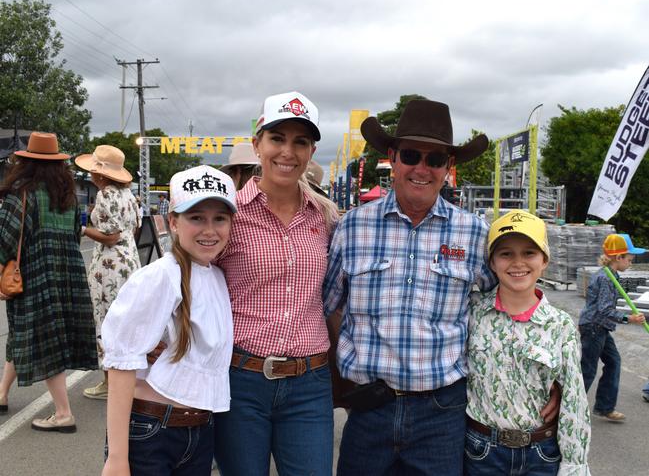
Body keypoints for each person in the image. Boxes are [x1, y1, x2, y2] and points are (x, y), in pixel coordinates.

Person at [323, 100, 559, 475]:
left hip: (442, 413)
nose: (421, 168)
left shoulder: (474, 233)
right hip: (369, 408)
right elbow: (322, 310)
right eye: (412, 155)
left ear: (448, 167)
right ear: (392, 158)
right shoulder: (352, 228)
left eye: (434, 160)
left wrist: (550, 378)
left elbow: (511, 312)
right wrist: (335, 386)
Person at [213, 91, 339, 476]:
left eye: (300, 142)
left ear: (311, 151)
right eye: (277, 138)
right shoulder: (226, 214)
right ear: (257, 144)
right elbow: (189, 279)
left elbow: (335, 296)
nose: (288, 151)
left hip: (309, 383)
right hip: (241, 379)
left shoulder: (328, 219)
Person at [101, 165, 236, 475]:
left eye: (220, 218)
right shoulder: (160, 276)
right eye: (196, 217)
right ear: (173, 222)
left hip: (199, 431)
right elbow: (122, 362)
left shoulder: (216, 276)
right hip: (152, 432)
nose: (209, 229)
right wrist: (118, 458)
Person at [465, 210, 591, 475]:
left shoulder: (560, 325)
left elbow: (573, 400)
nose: (518, 263)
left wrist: (574, 464)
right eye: (506, 253)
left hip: (541, 454)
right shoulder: (471, 313)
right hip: (481, 453)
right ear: (492, 262)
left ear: (545, 260)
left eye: (529, 253)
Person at [0, 132, 97, 432]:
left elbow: (6, 239)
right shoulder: (67, 198)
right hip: (67, 275)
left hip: (36, 274)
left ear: (25, 163)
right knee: (22, 332)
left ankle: (64, 413)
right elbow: (75, 235)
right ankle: (1, 394)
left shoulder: (22, 193)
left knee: (44, 340)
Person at [74, 145, 141, 400]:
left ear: (100, 175)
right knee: (125, 322)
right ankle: (127, 380)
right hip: (129, 261)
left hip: (109, 265)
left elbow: (110, 237)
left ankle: (109, 383)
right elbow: (130, 231)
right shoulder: (128, 195)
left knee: (105, 321)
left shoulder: (105, 196)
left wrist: (82, 230)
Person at [578, 233, 646, 422]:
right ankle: (568, 409)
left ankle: (605, 407)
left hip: (599, 327)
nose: (630, 263)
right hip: (594, 326)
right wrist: (628, 318)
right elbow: (604, 310)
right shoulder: (607, 278)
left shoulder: (611, 274)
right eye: (629, 260)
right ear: (618, 258)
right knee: (588, 370)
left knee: (613, 362)